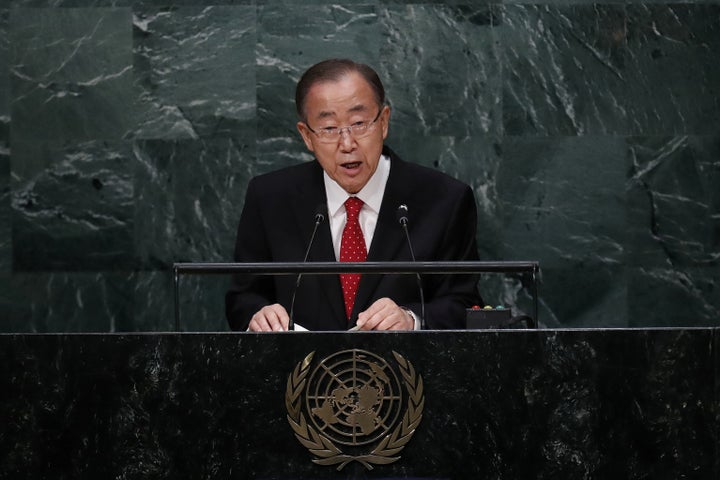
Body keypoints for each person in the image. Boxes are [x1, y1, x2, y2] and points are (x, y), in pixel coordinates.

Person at [225, 58, 481, 332]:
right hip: (301, 372)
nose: (347, 144)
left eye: (359, 123)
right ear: (307, 136)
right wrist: (258, 315)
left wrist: (412, 319)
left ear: (383, 122)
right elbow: (243, 297)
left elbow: (465, 303)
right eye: (329, 129)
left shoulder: (445, 200)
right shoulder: (270, 199)